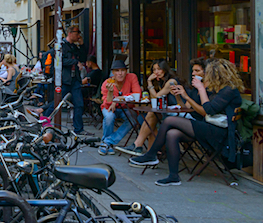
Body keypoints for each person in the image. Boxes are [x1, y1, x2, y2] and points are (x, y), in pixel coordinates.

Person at [130, 58, 243, 186]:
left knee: (169, 120)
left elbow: (209, 110)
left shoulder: (229, 90)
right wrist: (183, 95)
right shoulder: (220, 90)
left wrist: (201, 88)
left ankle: (151, 155)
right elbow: (194, 108)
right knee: (172, 134)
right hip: (208, 127)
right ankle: (173, 176)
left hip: (218, 134)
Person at [117, 59, 180, 156]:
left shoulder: (171, 81)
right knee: (146, 119)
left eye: (159, 69)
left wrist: (149, 81)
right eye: (154, 70)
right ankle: (149, 153)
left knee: (149, 117)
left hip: (180, 112)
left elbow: (157, 97)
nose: (156, 72)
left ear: (165, 69)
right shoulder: (162, 82)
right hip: (169, 112)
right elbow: (155, 100)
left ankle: (140, 147)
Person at [96, 60, 141, 155]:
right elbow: (108, 104)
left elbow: (137, 94)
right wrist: (111, 93)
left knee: (133, 118)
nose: (120, 73)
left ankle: (107, 142)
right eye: (117, 71)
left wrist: (118, 99)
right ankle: (109, 144)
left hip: (127, 108)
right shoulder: (107, 83)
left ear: (126, 71)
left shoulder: (132, 77)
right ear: (113, 73)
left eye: (122, 70)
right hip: (110, 107)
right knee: (109, 117)